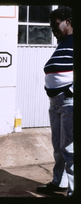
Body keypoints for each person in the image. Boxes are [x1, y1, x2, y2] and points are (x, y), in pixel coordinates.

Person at [36, 6, 74, 197]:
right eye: (50, 26)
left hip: (70, 101)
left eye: (55, 24)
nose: (53, 29)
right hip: (56, 103)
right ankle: (59, 182)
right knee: (59, 147)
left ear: (68, 21)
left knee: (70, 149)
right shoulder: (63, 43)